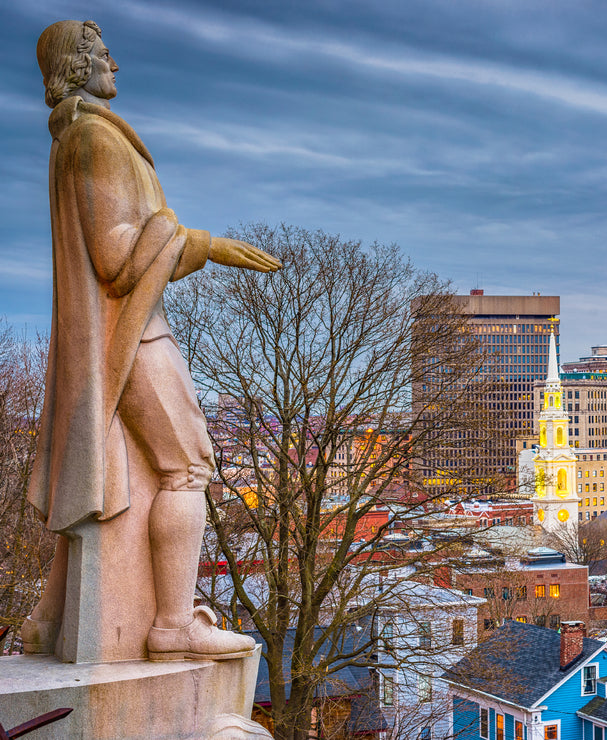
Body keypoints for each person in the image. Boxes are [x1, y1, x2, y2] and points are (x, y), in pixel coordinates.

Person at [25, 19, 281, 660]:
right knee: (188, 465)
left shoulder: (77, 140)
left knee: (99, 475)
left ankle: (49, 617)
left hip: (116, 334)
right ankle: (172, 624)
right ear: (78, 65)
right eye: (104, 54)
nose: (115, 65)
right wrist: (201, 243)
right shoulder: (93, 141)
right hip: (134, 335)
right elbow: (115, 259)